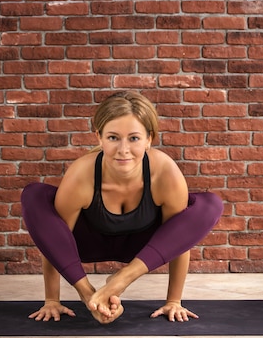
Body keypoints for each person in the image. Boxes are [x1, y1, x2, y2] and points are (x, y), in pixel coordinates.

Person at [21, 91, 223, 324]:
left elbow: (179, 237)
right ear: (99, 137)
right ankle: (91, 293)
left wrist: (173, 301)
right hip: (84, 247)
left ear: (150, 138)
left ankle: (121, 279)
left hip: (142, 251)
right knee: (34, 195)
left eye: (134, 138)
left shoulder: (164, 171)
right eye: (113, 138)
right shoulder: (82, 173)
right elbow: (52, 238)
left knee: (210, 205)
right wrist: (53, 300)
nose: (123, 149)